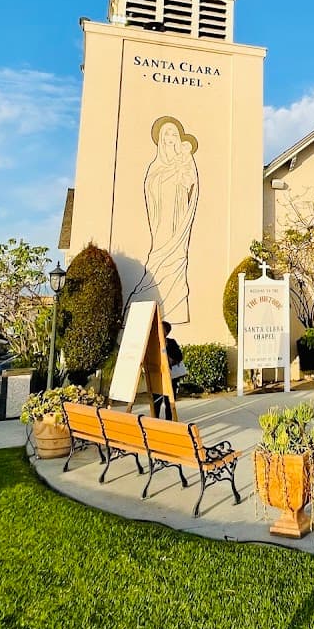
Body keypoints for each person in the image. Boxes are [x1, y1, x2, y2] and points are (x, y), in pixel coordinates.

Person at [131, 117, 199, 324]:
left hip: (178, 216)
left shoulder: (186, 161)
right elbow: (150, 187)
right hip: (162, 219)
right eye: (166, 134)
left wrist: (181, 173)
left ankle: (176, 307)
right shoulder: (156, 166)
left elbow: (191, 186)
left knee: (177, 257)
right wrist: (166, 176)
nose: (170, 138)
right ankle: (148, 298)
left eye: (174, 134)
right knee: (158, 256)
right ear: (160, 139)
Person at [153, 321, 187, 420]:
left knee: (169, 402)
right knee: (156, 401)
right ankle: (155, 421)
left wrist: (168, 355)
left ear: (166, 332)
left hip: (171, 377)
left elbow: (179, 356)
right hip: (157, 377)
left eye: (161, 328)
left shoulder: (171, 342)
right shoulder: (154, 342)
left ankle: (169, 422)